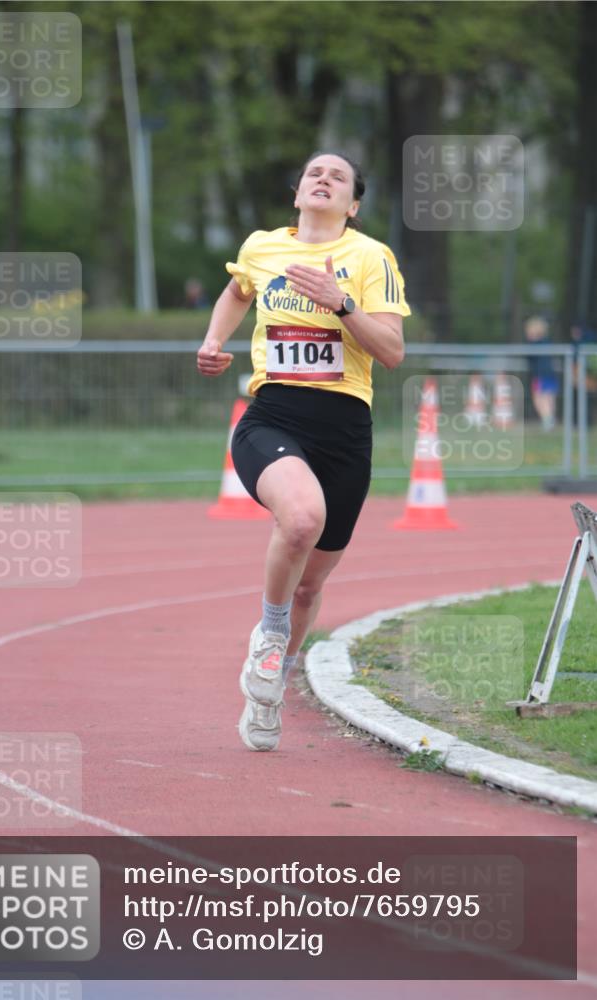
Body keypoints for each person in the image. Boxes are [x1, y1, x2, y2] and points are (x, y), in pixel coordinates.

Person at [197, 152, 410, 751]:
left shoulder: (371, 258)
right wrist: (215, 341)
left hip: (344, 430)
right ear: (298, 194)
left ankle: (270, 690)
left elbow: (392, 352)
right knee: (301, 520)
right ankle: (268, 635)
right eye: (315, 173)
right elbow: (238, 291)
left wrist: (339, 302)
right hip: (273, 417)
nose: (324, 180)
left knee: (311, 588)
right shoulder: (264, 246)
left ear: (354, 204)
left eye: (338, 177)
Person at [524, 315, 559, 431]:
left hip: (540, 376)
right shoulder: (547, 342)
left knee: (540, 398)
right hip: (550, 374)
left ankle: (548, 420)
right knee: (548, 399)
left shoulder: (535, 345)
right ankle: (549, 420)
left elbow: (529, 357)